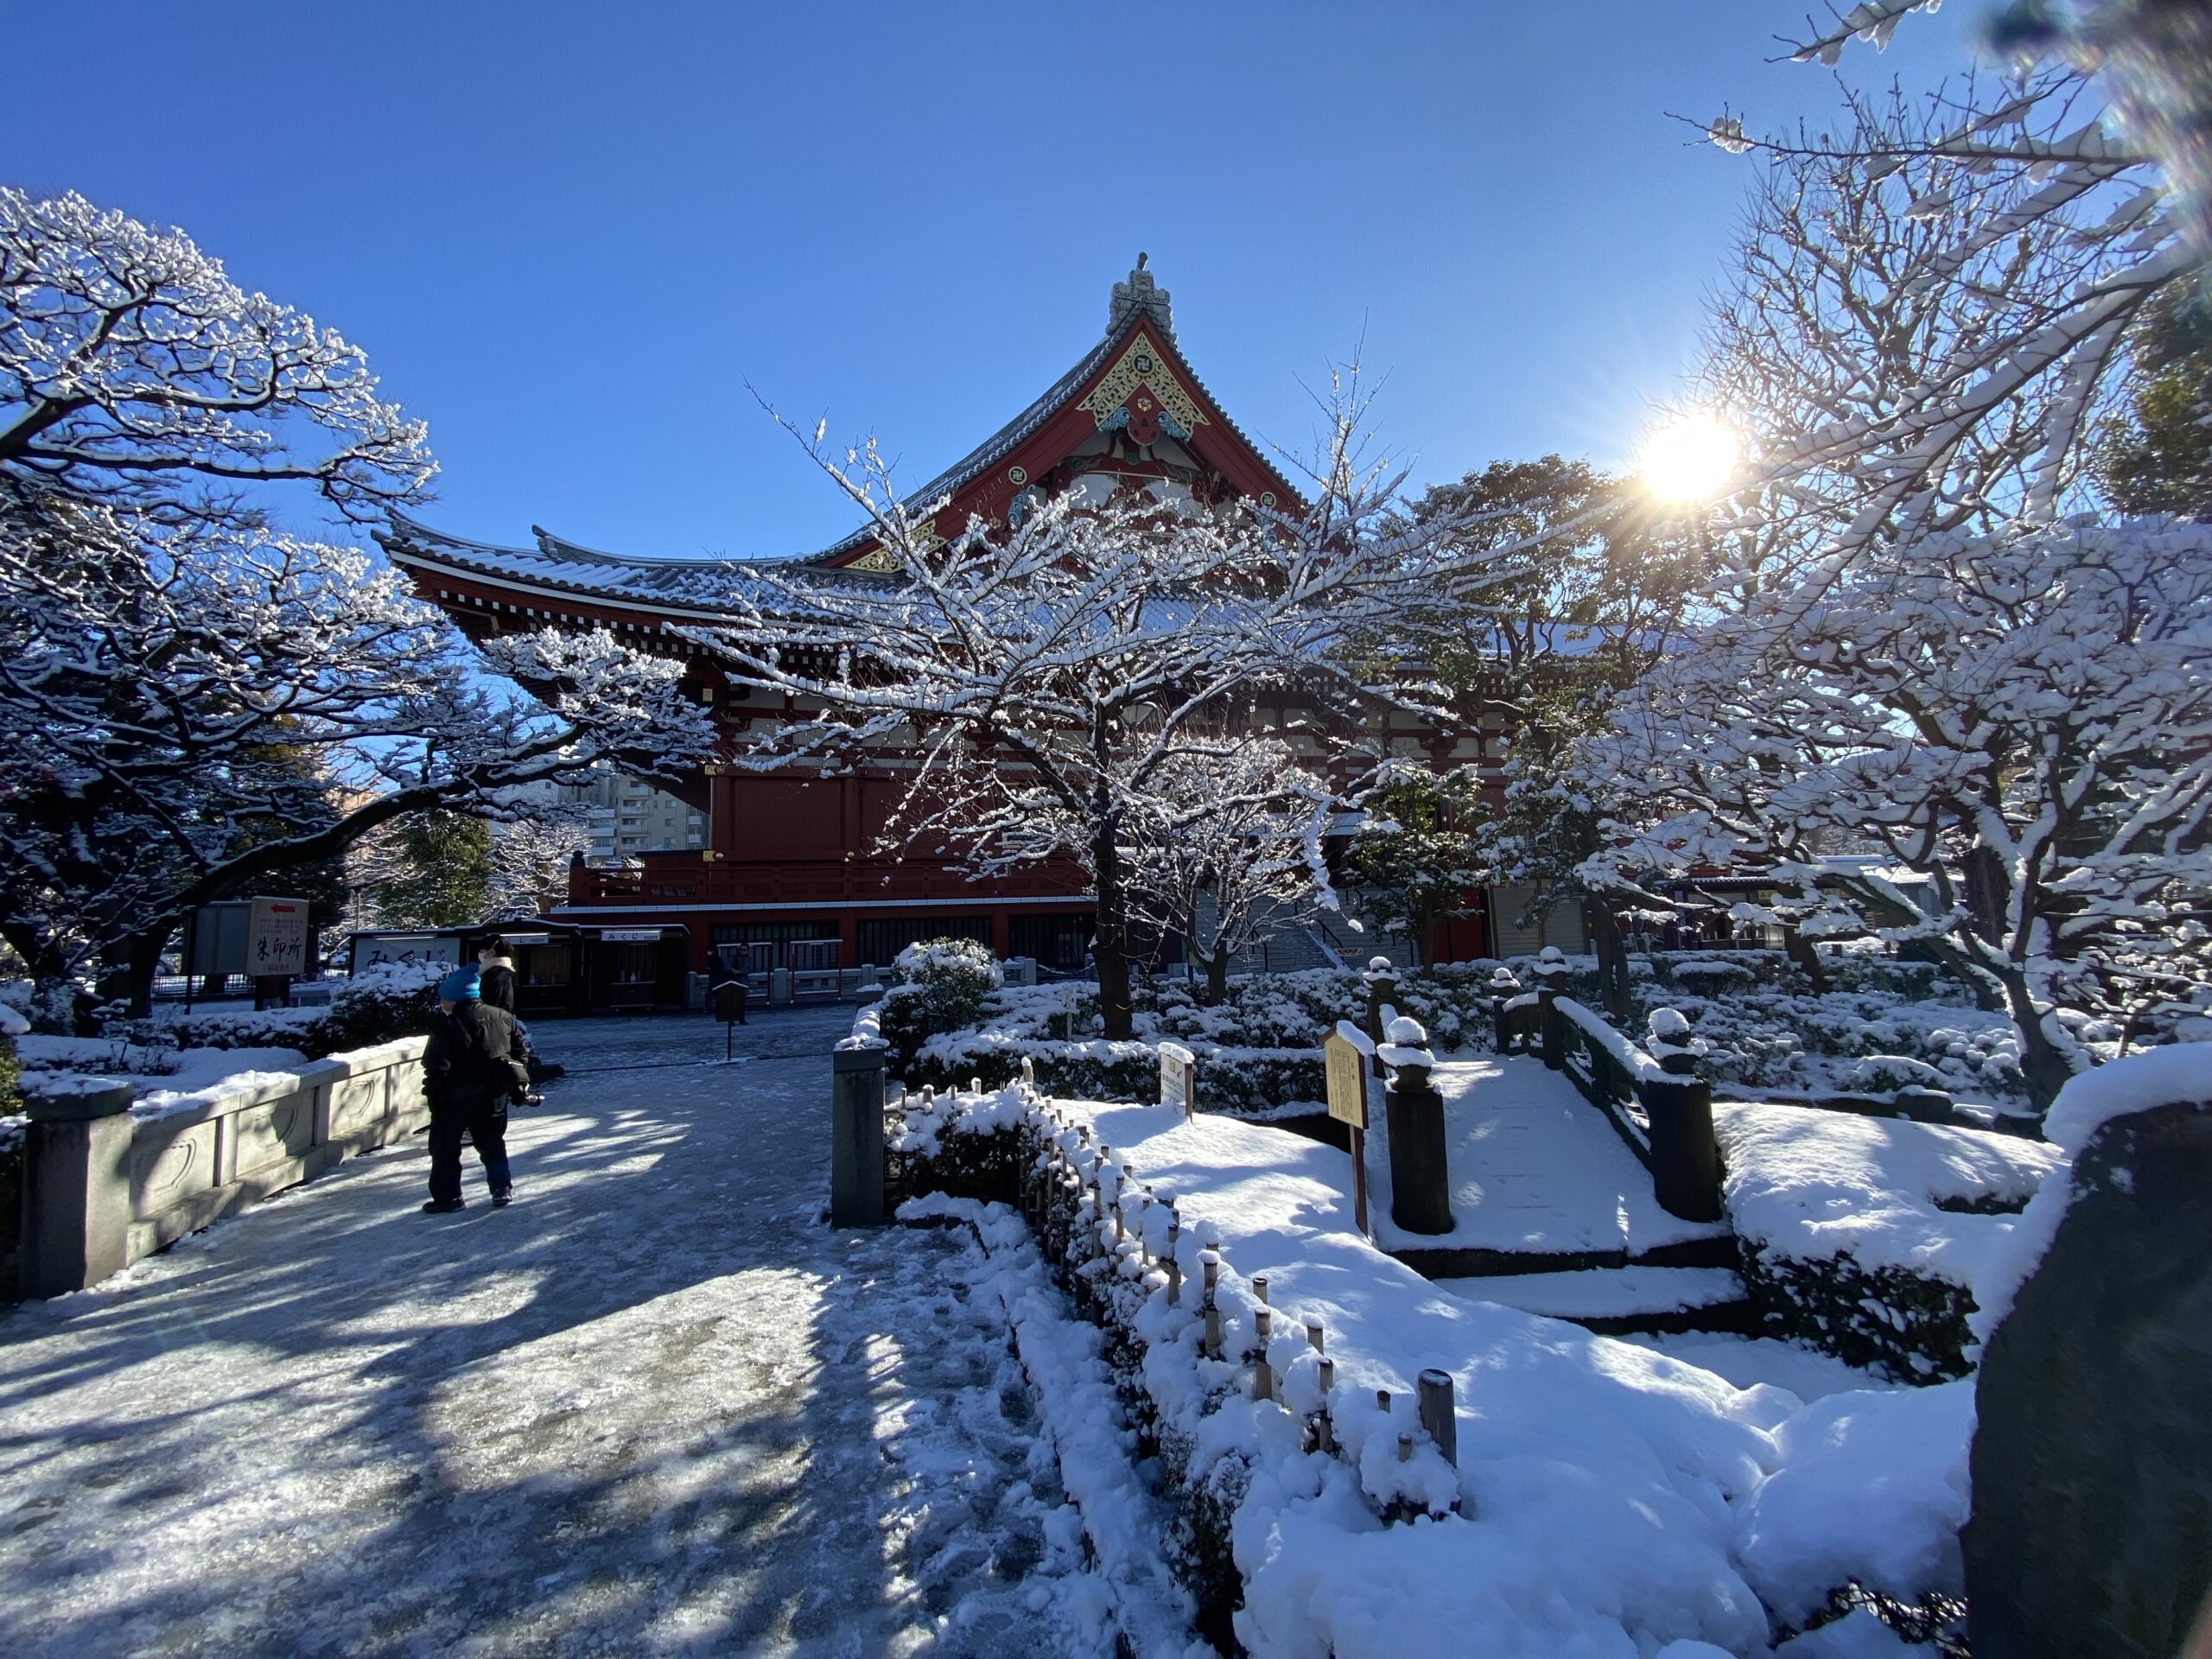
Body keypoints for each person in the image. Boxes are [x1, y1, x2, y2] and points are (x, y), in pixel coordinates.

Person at [421, 964, 528, 1213]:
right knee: (492, 1143)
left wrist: (434, 1094)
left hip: (454, 1096)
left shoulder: (446, 1024)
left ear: (456, 996)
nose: (442, 1002)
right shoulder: (503, 1017)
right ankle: (502, 1189)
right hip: (493, 1094)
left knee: (445, 1148)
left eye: (444, 997)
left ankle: (449, 1198)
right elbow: (520, 1051)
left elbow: (437, 1065)